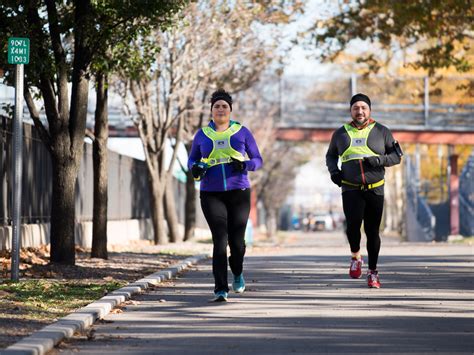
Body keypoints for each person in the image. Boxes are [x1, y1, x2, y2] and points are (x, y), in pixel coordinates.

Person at [188, 89, 263, 302]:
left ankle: (237, 271)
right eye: (217, 106)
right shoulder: (202, 134)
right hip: (211, 194)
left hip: (238, 191)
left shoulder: (242, 132)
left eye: (224, 106)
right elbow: (192, 159)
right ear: (211, 110)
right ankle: (220, 289)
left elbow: (258, 159)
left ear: (230, 110)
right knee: (220, 240)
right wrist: (195, 168)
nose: (220, 109)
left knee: (237, 243)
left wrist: (246, 164)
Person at [326, 93, 403, 288]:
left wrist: (379, 160)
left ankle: (373, 272)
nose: (359, 111)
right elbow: (330, 156)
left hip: (375, 189)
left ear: (369, 110)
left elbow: (396, 156)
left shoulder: (382, 131)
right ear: (350, 111)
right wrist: (334, 172)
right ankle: (355, 256)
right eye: (355, 108)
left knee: (372, 231)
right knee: (352, 227)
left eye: (363, 108)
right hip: (350, 188)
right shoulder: (340, 133)